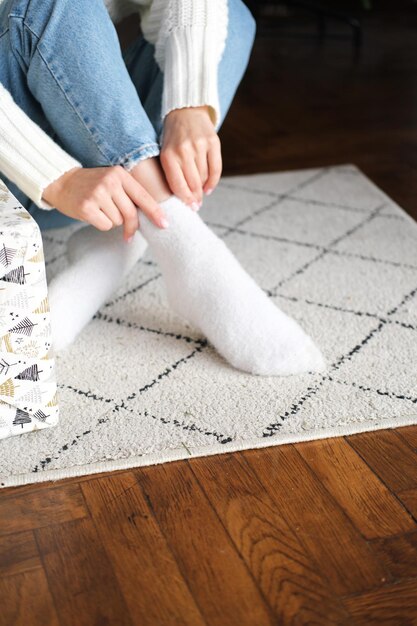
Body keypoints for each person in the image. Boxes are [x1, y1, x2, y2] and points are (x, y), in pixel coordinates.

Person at [0, 0, 325, 376]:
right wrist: (58, 177)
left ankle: (117, 247)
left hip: (101, 176)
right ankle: (181, 241)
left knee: (230, 16)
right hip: (21, 184)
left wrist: (189, 104)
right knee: (51, 4)